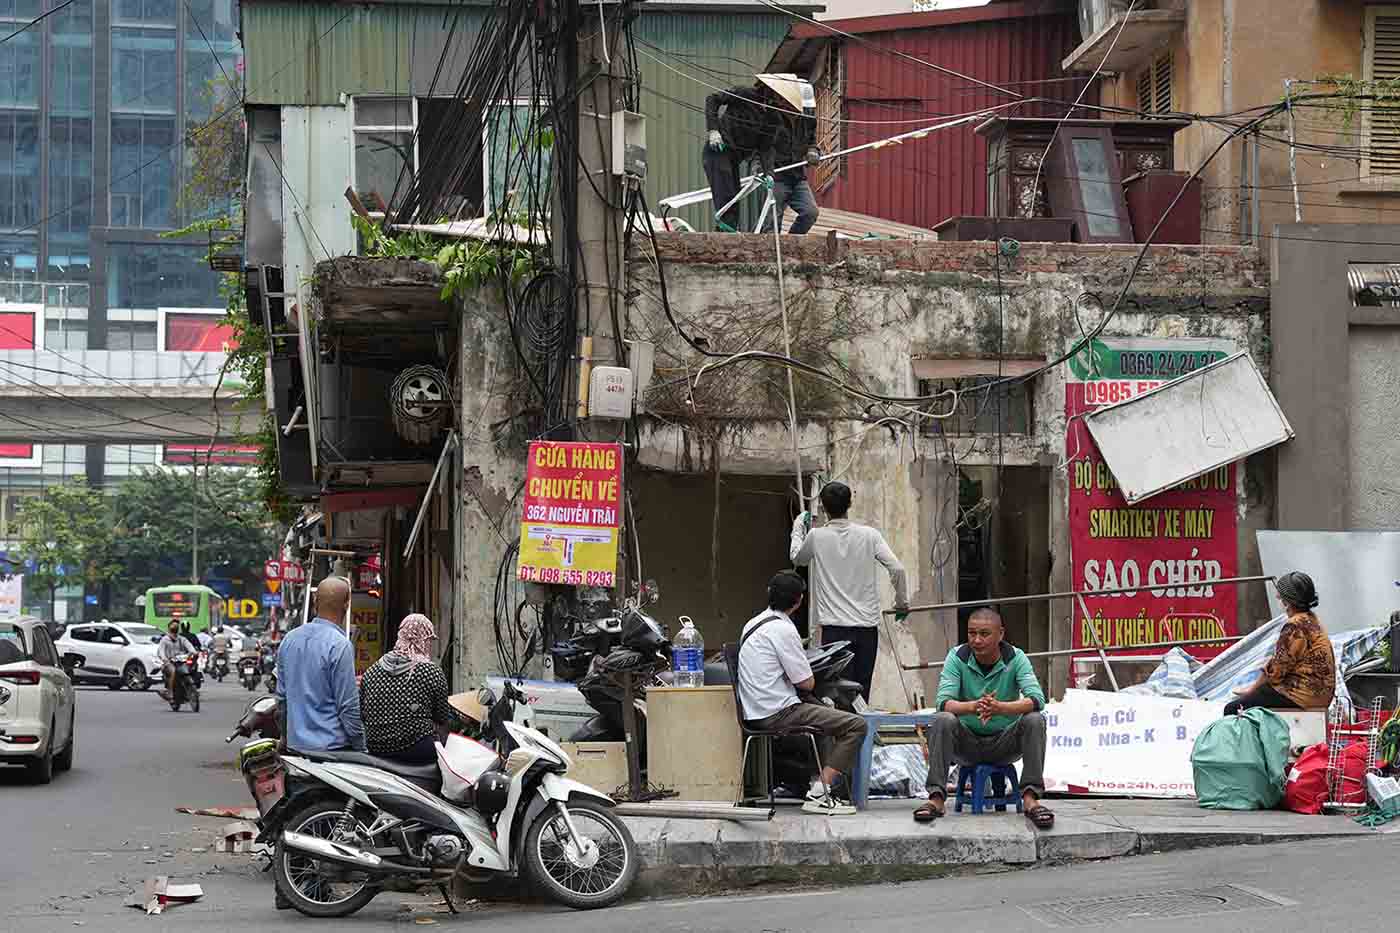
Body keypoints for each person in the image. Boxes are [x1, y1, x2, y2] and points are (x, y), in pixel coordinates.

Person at [736, 571, 868, 816]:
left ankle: (817, 785)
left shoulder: (752, 624)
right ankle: (821, 793)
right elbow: (806, 683)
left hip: (755, 710)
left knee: (825, 715)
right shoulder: (784, 630)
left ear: (769, 594)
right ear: (799, 601)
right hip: (778, 712)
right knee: (856, 725)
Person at [915, 607, 1053, 829]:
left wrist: (1001, 708)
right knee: (942, 719)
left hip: (1004, 744)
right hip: (966, 744)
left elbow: (1037, 700)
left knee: (1035, 719)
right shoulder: (957, 656)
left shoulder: (1016, 658)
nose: (976, 640)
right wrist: (974, 706)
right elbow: (943, 702)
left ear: (1001, 634)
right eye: (971, 633)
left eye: (985, 634)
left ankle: (1030, 799)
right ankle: (936, 799)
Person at [790, 481, 909, 700]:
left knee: (836, 693)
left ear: (824, 508)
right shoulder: (869, 535)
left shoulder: (817, 536)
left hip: (834, 630)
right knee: (861, 693)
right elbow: (898, 569)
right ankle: (861, 732)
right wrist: (902, 604)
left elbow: (798, 558)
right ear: (850, 504)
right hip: (866, 629)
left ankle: (844, 733)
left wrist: (798, 527)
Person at [703, 73, 820, 233]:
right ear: (773, 92)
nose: (782, 104)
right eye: (781, 99)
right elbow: (712, 99)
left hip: (736, 159)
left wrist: (768, 172)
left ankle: (725, 237)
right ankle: (723, 239)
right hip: (719, 150)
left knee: (733, 203)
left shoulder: (772, 118)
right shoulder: (745, 94)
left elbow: (765, 148)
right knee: (728, 199)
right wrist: (713, 130)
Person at [274, 576, 365, 754]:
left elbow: (282, 700)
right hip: (333, 750)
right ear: (347, 604)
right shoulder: (340, 645)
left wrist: (285, 738)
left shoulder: (289, 639)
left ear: (315, 601)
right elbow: (348, 706)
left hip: (296, 748)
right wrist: (361, 747)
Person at [1224, 571, 1335, 715]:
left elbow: (1276, 671)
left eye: (1280, 595)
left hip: (1301, 696)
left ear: (1287, 601)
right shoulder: (1312, 620)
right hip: (1319, 696)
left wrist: (1250, 691)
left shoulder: (1295, 626)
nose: (1277, 597)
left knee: (1232, 709)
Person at [360, 614, 457, 764]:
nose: (430, 646)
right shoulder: (431, 671)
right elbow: (442, 717)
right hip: (416, 748)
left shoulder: (372, 671)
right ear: (422, 640)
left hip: (376, 749)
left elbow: (363, 715)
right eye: (429, 640)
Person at [157, 621, 198, 696]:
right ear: (169, 630)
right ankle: (170, 692)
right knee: (173, 671)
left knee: (191, 668)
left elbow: (190, 647)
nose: (174, 634)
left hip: (181, 661)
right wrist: (164, 659)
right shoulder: (164, 640)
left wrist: (194, 652)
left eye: (175, 629)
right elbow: (161, 651)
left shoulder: (182, 639)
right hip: (169, 662)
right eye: (173, 630)